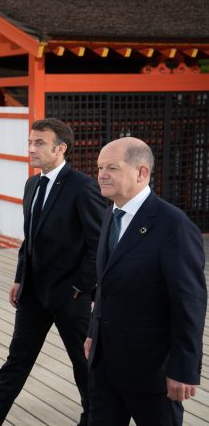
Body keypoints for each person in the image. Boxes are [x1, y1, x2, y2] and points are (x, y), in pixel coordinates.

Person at [0, 118, 106, 426]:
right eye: (30, 142)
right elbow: (30, 238)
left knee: (83, 362)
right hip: (34, 291)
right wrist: (20, 278)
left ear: (60, 148)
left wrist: (80, 287)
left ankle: (95, 419)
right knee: (18, 358)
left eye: (39, 144)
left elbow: (98, 242)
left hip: (69, 293)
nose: (31, 149)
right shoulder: (32, 184)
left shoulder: (82, 187)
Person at [85, 137, 206, 425]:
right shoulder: (112, 213)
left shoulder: (173, 226)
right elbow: (106, 284)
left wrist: (184, 369)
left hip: (152, 371)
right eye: (100, 167)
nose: (101, 174)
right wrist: (93, 332)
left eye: (112, 168)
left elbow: (190, 303)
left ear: (142, 173)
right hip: (105, 364)